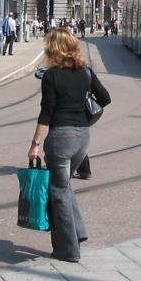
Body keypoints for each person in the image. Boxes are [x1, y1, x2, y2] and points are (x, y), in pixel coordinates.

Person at [28, 29, 111, 262]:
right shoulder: (85, 72)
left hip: (60, 138)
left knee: (58, 191)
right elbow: (104, 98)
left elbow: (47, 112)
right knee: (63, 185)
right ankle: (78, 232)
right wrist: (82, 117)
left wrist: (35, 143)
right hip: (83, 137)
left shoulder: (51, 76)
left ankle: (68, 250)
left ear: (53, 48)